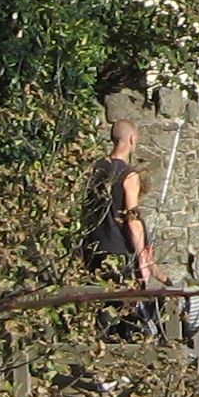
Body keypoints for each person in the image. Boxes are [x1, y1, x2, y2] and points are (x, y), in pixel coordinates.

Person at [78, 120, 159, 328]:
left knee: (96, 310)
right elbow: (132, 220)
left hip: (92, 248)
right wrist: (143, 257)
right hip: (117, 252)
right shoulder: (129, 175)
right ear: (132, 139)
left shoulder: (94, 169)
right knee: (124, 313)